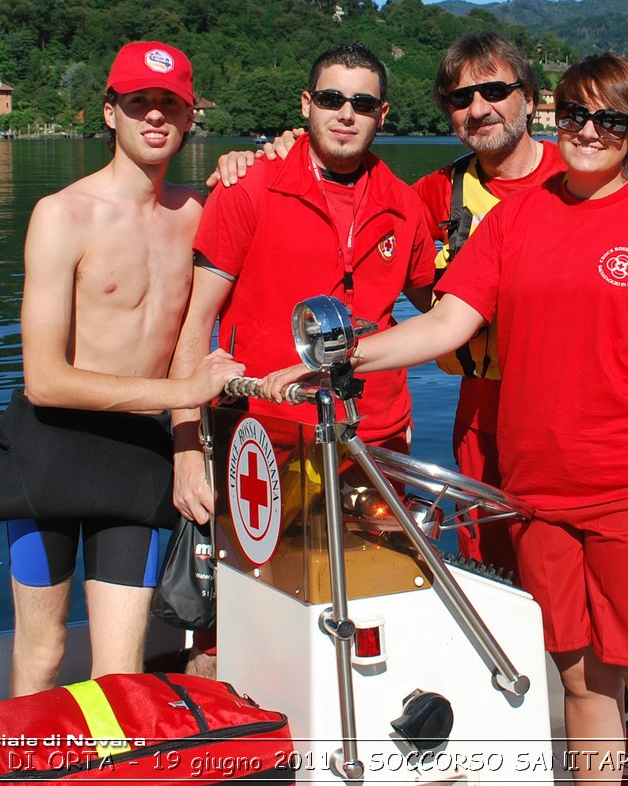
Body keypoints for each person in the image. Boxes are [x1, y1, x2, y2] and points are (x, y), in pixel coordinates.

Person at [263, 53, 628, 783]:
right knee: (582, 683)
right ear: (555, 114)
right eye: (576, 114)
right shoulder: (516, 217)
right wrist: (343, 357)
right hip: (539, 497)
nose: (588, 131)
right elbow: (448, 323)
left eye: (610, 120)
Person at [0, 41, 243, 697]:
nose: (154, 116)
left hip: (136, 458)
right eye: (138, 102)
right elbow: (45, 378)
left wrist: (252, 160)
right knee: (42, 654)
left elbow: (287, 174)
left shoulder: (200, 215)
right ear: (109, 112)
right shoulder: (63, 215)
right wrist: (184, 395)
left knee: (119, 671)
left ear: (189, 117)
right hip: (52, 452)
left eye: (169, 104)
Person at [169, 40, 437, 527]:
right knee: (269, 590)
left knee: (380, 583)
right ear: (306, 104)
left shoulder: (404, 204)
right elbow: (195, 325)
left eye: (363, 104)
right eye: (332, 99)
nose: (346, 114)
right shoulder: (248, 188)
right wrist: (186, 446)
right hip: (267, 434)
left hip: (375, 432)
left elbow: (442, 307)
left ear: (383, 113)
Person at [409, 32, 565, 572]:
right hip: (482, 413)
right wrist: (276, 151)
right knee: (490, 568)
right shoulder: (435, 193)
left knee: (562, 564)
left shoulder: (581, 178)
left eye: (494, 90)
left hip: (570, 412)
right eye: (460, 99)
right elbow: (358, 220)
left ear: (531, 97)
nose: (478, 110)